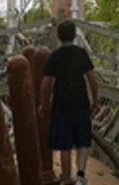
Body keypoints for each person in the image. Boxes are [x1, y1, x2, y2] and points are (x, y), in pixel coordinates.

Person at [42, 18, 99, 185]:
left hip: (61, 106)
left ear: (58, 37)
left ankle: (66, 179)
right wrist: (95, 101)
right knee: (83, 140)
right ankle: (80, 176)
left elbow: (46, 83)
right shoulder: (81, 54)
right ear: (75, 35)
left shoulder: (55, 57)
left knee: (64, 145)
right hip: (81, 104)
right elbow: (92, 79)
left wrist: (43, 104)